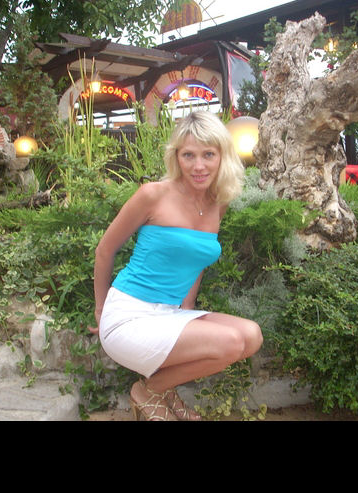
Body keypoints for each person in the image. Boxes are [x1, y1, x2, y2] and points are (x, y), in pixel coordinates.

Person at [90, 111, 263, 421]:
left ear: (222, 156)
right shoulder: (153, 195)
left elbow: (195, 259)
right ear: (176, 157)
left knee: (251, 336)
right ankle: (149, 390)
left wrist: (188, 307)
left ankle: (160, 389)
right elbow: (105, 250)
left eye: (208, 154)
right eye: (189, 155)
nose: (199, 166)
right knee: (231, 342)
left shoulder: (218, 202)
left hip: (169, 313)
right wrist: (101, 310)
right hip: (128, 315)